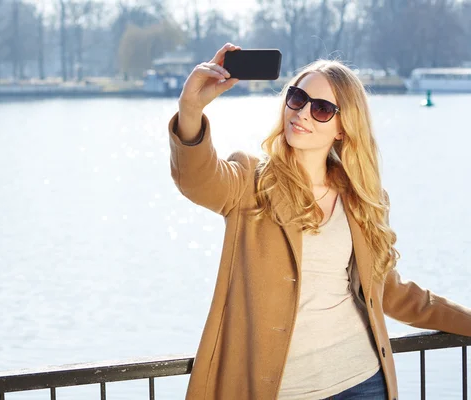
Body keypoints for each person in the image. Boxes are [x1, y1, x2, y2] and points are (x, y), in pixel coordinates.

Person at [167, 42, 471, 400]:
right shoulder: (250, 181)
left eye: (323, 108)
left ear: (343, 128)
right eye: (297, 98)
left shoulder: (363, 198)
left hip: (362, 382)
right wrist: (190, 109)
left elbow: (390, 292)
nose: (303, 113)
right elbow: (198, 179)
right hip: (279, 391)